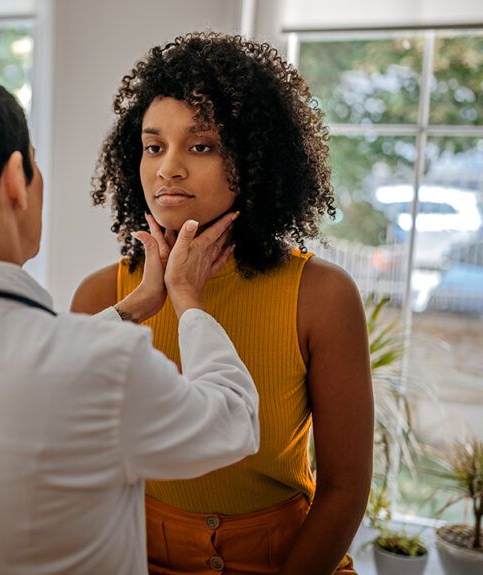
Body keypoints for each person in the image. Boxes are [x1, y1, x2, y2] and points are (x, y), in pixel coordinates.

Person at [0, 69, 259, 575]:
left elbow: (26, 369)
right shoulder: (101, 363)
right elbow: (234, 421)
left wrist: (133, 307)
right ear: (14, 181)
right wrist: (189, 302)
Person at [72, 32, 374, 575]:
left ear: (256, 157)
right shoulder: (104, 296)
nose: (168, 169)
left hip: (291, 559)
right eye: (153, 145)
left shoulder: (322, 297)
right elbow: (71, 459)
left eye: (201, 145)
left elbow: (345, 487)